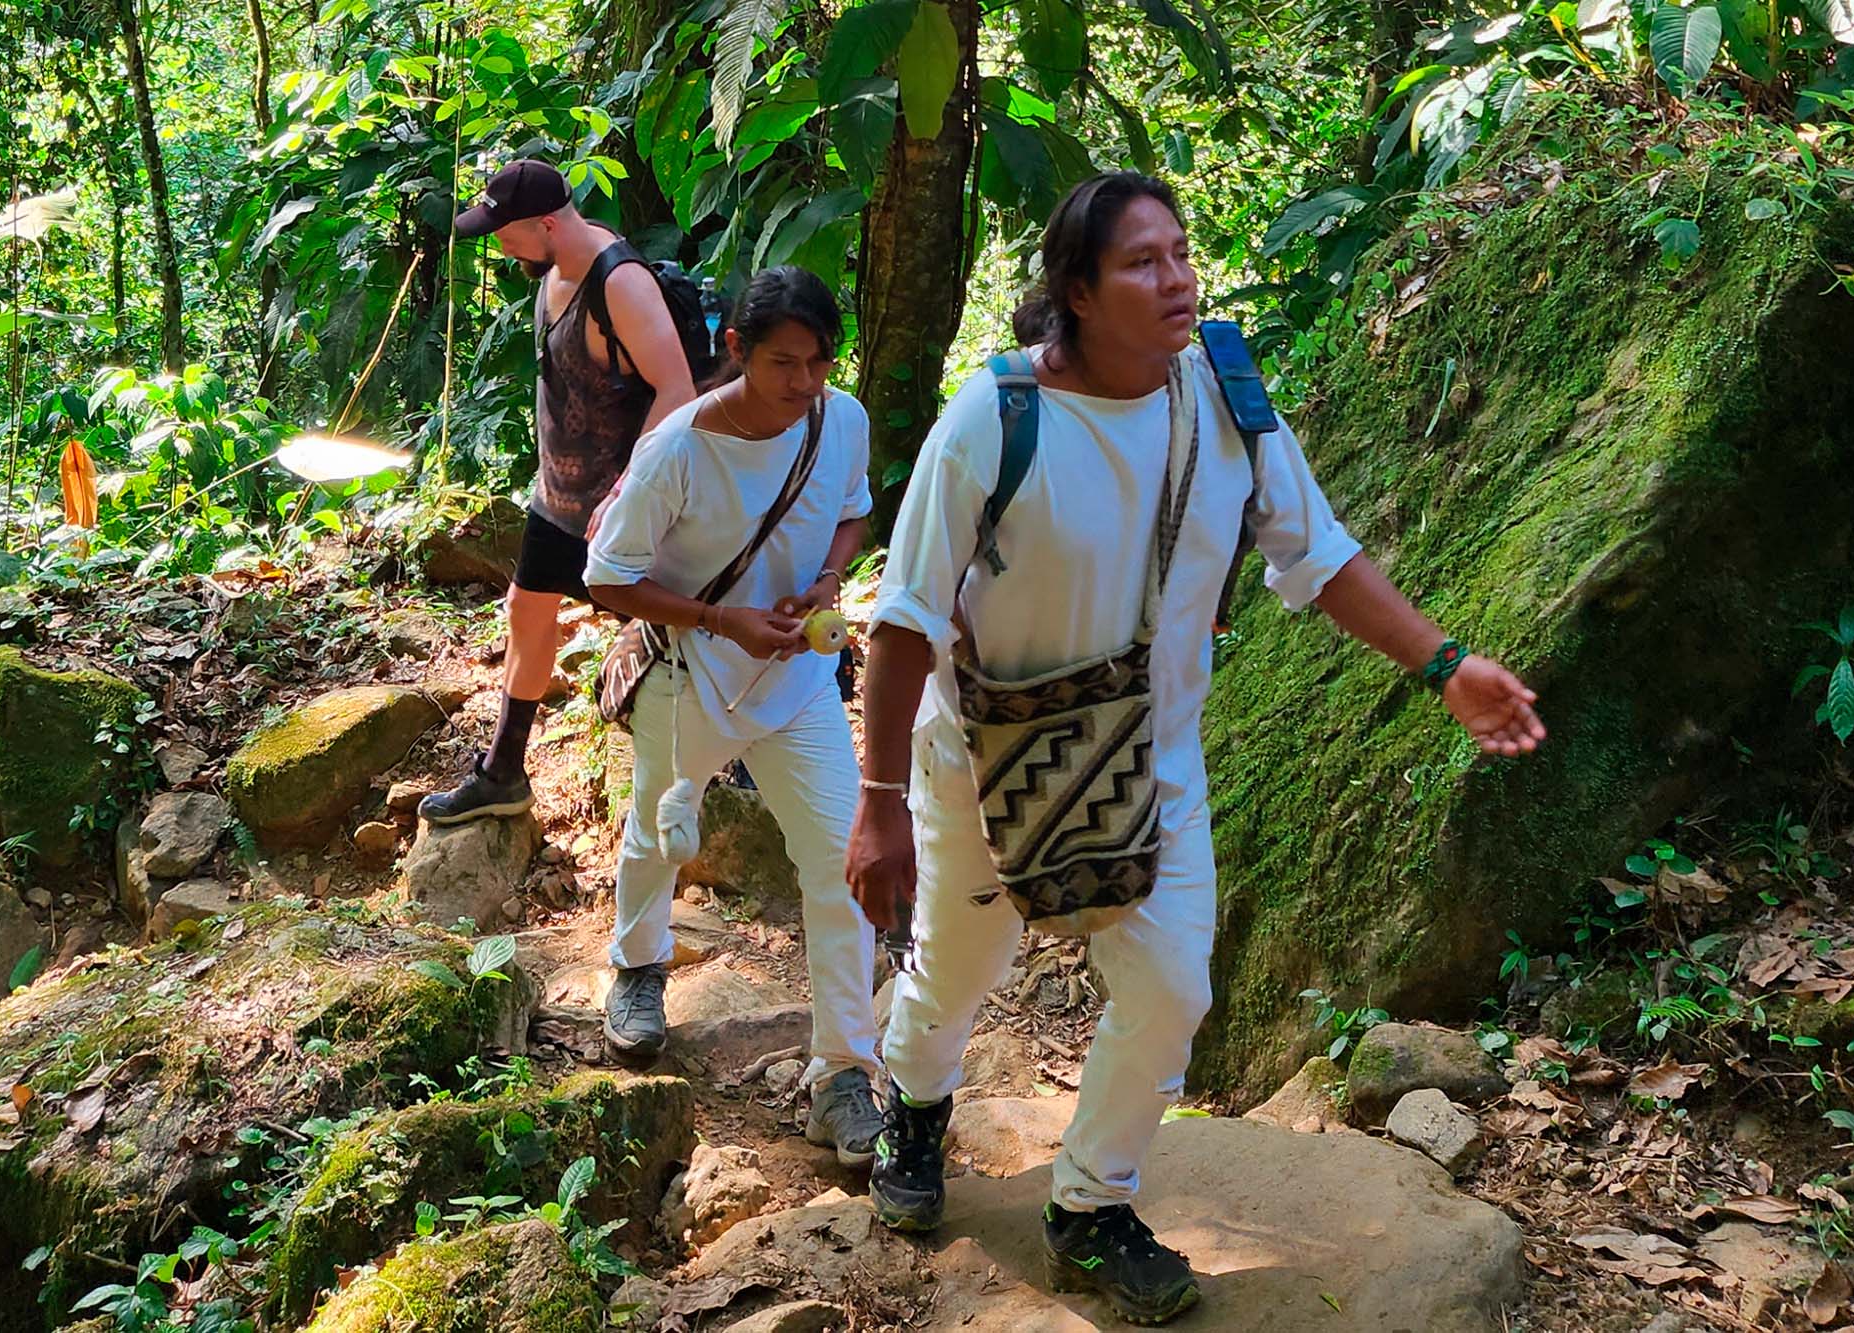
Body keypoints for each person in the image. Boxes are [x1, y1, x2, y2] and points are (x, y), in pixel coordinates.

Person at [846, 172, 1546, 1326]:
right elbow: (907, 617)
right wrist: (876, 800)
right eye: (1140, 263)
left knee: (1172, 984)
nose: (1175, 280)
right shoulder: (995, 418)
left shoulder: (1221, 397)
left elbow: (1314, 556)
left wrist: (1443, 665)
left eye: (1180, 255)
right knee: (959, 965)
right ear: (1075, 290)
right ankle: (915, 1112)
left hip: (1148, 754)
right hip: (985, 757)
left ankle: (1089, 1203)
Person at [583, 266, 886, 1163]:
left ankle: (842, 1074)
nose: (804, 384)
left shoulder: (842, 419)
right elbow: (606, 575)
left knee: (842, 862)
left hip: (797, 686)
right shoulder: (678, 451)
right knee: (658, 835)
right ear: (736, 350)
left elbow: (853, 515)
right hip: (690, 673)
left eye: (821, 362)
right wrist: (724, 618)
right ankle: (639, 967)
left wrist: (827, 580)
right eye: (785, 363)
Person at [421, 159, 697, 825]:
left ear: (546, 223)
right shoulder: (550, 271)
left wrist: (629, 491)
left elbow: (678, 391)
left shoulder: (621, 283)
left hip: (626, 504)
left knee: (670, 625)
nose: (497, 244)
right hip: (560, 499)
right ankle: (503, 772)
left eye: (503, 232)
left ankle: (713, 766)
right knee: (526, 609)